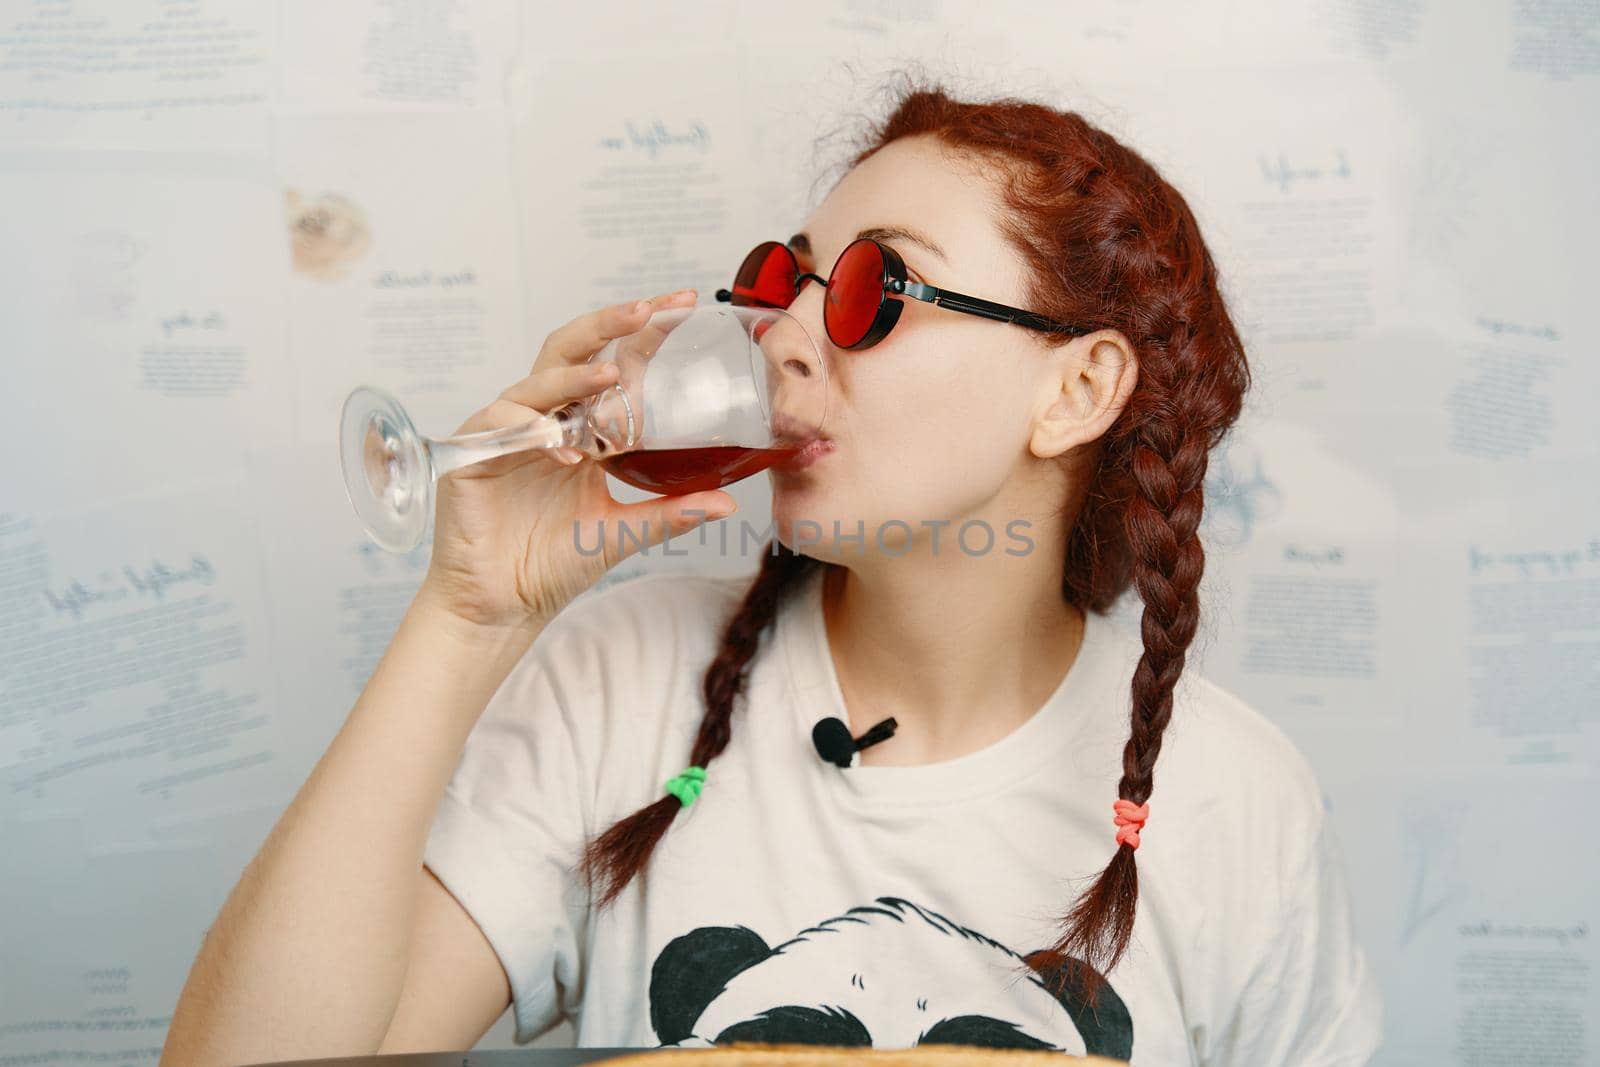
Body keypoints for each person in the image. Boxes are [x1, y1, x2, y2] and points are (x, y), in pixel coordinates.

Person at [161, 75, 1383, 1065]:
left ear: (1074, 389)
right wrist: (466, 613)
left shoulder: (1236, 804)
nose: (781, 337)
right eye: (780, 280)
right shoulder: (620, 682)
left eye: (870, 290)